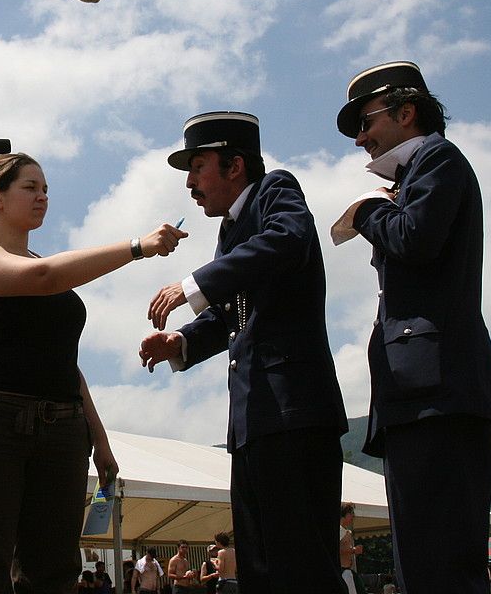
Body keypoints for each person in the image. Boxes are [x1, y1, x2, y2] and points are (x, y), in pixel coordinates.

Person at [0, 153, 186, 593]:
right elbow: (40, 277)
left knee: (54, 573)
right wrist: (137, 247)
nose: (42, 197)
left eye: (46, 189)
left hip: (62, 429)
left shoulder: (44, 265)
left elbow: (65, 363)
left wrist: (100, 437)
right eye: (30, 187)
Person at [140, 111, 348, 593]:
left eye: (196, 167)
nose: (190, 182)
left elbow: (288, 239)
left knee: (304, 567)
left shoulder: (278, 190)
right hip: (254, 422)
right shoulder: (230, 232)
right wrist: (183, 340)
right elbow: (232, 311)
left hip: (294, 413)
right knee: (260, 571)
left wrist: (194, 283)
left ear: (235, 165)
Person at [333, 61, 491, 594]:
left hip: (440, 392)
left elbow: (416, 239)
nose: (361, 138)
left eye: (366, 122)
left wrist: (366, 214)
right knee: (423, 563)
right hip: (420, 393)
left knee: (443, 564)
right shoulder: (414, 175)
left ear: (405, 112)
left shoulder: (438, 158)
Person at [340, 502, 363, 594]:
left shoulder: (346, 532)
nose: (353, 516)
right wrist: (353, 550)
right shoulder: (340, 531)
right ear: (346, 515)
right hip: (342, 570)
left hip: (347, 570)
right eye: (351, 514)